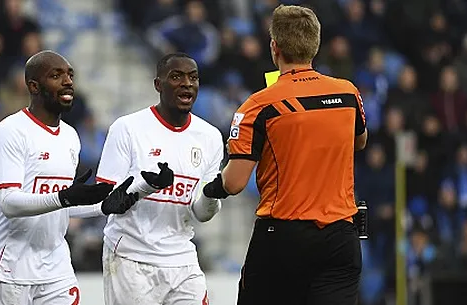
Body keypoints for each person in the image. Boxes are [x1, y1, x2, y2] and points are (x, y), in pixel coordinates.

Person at [202, 5, 368, 305]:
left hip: (283, 237)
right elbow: (359, 142)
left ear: (274, 47)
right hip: (341, 236)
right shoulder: (347, 93)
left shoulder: (258, 105)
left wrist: (210, 188)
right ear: (315, 46)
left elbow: (235, 183)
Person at [0, 50, 138, 305]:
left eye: (70, 74)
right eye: (56, 75)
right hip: (7, 268)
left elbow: (58, 208)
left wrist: (102, 207)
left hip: (55, 267)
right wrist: (64, 197)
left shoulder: (71, 136)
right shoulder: (10, 132)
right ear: (34, 86)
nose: (67, 81)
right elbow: (8, 203)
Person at [96, 52, 224, 305]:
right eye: (176, 77)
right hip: (131, 257)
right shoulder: (128, 128)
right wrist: (147, 186)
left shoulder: (209, 136)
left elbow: (201, 213)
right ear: (158, 84)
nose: (187, 83)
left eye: (193, 77)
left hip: (182, 257)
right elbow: (107, 199)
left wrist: (211, 195)